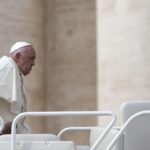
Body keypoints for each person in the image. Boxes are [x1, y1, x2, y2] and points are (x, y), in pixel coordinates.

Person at [0, 41, 36, 134]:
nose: (34, 63)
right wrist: (1, 127)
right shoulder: (7, 66)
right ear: (18, 56)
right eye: (31, 58)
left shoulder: (15, 71)